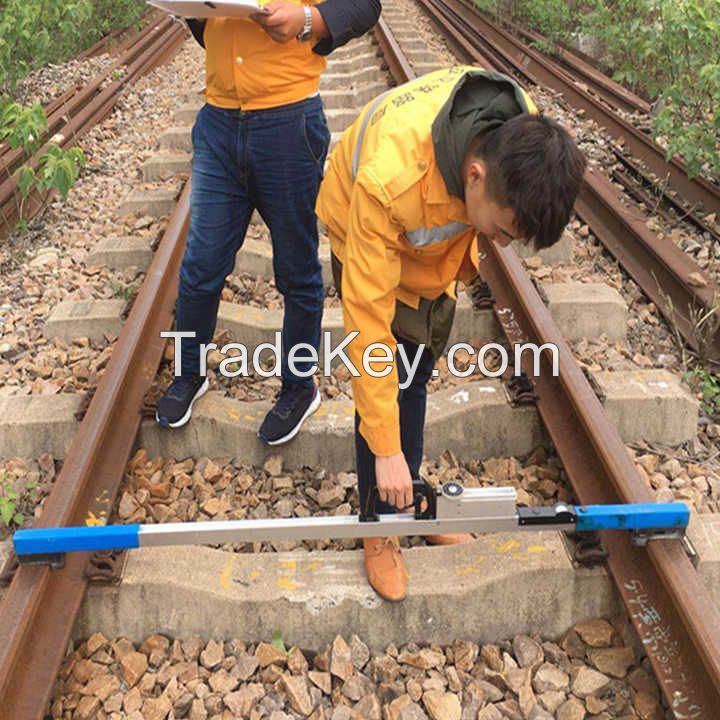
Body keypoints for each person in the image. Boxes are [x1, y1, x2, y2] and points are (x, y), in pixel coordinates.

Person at [315, 66, 586, 601]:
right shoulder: (387, 180)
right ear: (477, 175)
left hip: (431, 244)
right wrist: (386, 448)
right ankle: (380, 522)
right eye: (504, 232)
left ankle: (407, 495)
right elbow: (367, 327)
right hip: (363, 227)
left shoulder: (519, 125)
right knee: (388, 376)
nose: (504, 248)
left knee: (414, 373)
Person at [156, 0, 382, 446]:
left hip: (289, 122)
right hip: (218, 122)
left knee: (297, 273)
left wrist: (306, 21)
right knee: (199, 269)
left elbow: (363, 6)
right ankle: (190, 373)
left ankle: (299, 388)